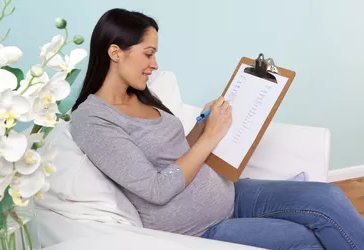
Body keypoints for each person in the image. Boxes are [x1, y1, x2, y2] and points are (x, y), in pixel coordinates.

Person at [70, 8, 364, 250]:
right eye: (148, 54)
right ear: (115, 52)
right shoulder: (93, 119)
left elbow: (176, 152)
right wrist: (210, 137)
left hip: (231, 193)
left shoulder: (142, 93)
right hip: (199, 230)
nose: (154, 64)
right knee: (304, 239)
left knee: (328, 197)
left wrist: (203, 122)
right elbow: (155, 188)